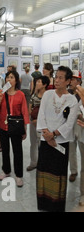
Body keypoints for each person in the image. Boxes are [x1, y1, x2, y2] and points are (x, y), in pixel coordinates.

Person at [36, 66, 79, 212]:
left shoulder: (72, 100)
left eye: (61, 78)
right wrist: (47, 135)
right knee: (43, 172)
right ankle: (43, 204)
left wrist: (53, 135)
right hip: (45, 140)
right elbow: (41, 115)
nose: (57, 80)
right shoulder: (48, 94)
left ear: (68, 81)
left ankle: (56, 206)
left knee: (57, 174)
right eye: (57, 77)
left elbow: (69, 123)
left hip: (60, 143)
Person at [0, 70, 29, 187]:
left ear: (16, 80)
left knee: (17, 151)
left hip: (16, 126)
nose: (9, 80)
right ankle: (6, 170)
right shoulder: (0, 93)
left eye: (12, 77)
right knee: (5, 150)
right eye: (7, 77)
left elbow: (24, 112)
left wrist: (25, 129)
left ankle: (18, 175)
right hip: (3, 126)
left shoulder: (21, 95)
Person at [27, 75, 50, 171]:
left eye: (39, 82)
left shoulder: (48, 96)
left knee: (43, 143)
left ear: (44, 84)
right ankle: (33, 162)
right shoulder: (34, 95)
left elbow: (48, 111)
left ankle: (43, 163)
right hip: (33, 122)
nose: (37, 83)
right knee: (33, 142)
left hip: (43, 124)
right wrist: (31, 119)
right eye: (37, 81)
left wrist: (39, 121)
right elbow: (30, 107)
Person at [68, 70, 83, 184]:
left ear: (79, 81)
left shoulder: (82, 94)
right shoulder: (67, 94)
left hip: (81, 126)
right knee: (71, 149)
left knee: (82, 151)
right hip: (70, 125)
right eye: (71, 79)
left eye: (73, 79)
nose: (71, 81)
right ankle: (73, 171)